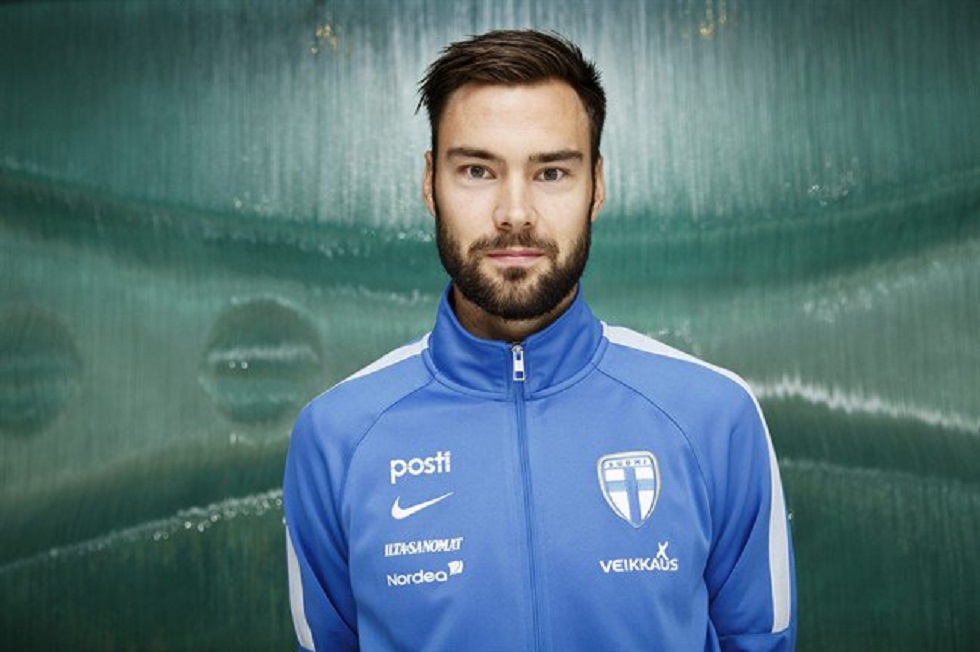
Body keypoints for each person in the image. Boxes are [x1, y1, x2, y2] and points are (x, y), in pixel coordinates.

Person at [283, 29, 796, 651]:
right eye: (477, 170)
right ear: (429, 183)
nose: (515, 212)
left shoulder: (714, 415)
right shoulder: (338, 436)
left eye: (551, 172)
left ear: (596, 186)